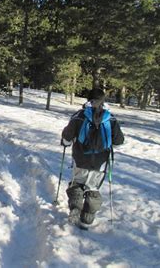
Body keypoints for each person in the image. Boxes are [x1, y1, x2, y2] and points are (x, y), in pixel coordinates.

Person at [61, 88, 124, 228]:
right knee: (93, 188)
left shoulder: (80, 115)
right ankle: (87, 220)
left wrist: (66, 142)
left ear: (88, 99)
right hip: (100, 162)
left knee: (77, 184)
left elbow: (67, 136)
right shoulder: (110, 118)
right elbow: (119, 141)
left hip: (80, 158)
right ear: (103, 100)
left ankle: (76, 209)